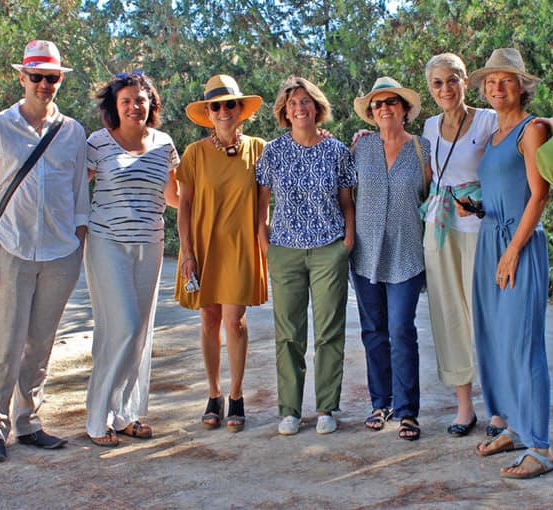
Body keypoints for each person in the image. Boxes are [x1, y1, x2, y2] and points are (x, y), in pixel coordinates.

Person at [0, 40, 90, 462]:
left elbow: (79, 198)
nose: (43, 84)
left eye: (51, 77)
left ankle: (28, 422)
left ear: (59, 81)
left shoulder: (73, 132)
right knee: (8, 343)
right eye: (36, 76)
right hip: (11, 250)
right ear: (22, 78)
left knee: (40, 344)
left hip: (60, 253)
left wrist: (78, 248)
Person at [462, 48, 553, 479]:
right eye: (491, 82)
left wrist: (514, 248)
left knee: (523, 345)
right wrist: (478, 207)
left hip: (519, 245)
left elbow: (539, 195)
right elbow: (505, 189)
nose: (497, 88)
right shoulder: (495, 135)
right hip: (491, 240)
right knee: (494, 340)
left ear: (522, 87)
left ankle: (541, 447)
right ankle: (514, 428)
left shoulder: (530, 130)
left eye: (507, 81)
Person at [84, 71, 180, 447]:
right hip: (107, 244)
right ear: (114, 106)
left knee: (139, 333)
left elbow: (175, 197)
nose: (134, 106)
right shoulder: (98, 143)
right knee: (121, 326)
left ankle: (126, 414)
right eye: (125, 100)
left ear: (150, 104)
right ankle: (97, 418)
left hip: (149, 245)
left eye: (140, 99)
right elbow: (73, 187)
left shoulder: (164, 144)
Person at [256, 76, 355, 436]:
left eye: (305, 101)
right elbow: (261, 205)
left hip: (329, 247)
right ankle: (290, 410)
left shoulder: (337, 150)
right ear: (284, 111)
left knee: (329, 331)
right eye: (292, 103)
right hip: (285, 249)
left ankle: (327, 407)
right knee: (289, 334)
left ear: (317, 106)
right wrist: (266, 245)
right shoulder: (273, 151)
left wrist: (347, 241)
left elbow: (347, 201)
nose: (299, 108)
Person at [175, 75, 267, 432]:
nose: (224, 111)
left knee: (235, 321)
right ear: (208, 114)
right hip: (203, 245)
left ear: (241, 110)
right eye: (216, 106)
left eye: (230, 104)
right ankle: (213, 394)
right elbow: (183, 206)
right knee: (209, 320)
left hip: (241, 245)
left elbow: (264, 203)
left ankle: (237, 395)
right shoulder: (195, 153)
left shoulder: (260, 149)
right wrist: (186, 252)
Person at [418, 53, 495, 437]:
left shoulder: (487, 120)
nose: (445, 88)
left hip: (478, 226)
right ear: (429, 89)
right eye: (437, 83)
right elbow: (428, 175)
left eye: (452, 80)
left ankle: (498, 409)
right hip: (439, 225)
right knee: (449, 314)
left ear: (466, 81)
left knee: (486, 314)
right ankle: (465, 408)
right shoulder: (429, 127)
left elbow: (511, 157)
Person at [350, 77, 429, 440]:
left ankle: (407, 411)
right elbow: (346, 197)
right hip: (366, 255)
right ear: (371, 112)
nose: (384, 108)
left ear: (405, 109)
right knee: (373, 332)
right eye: (377, 104)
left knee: (401, 330)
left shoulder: (422, 149)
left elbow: (431, 195)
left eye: (391, 102)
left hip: (407, 253)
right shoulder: (360, 149)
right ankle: (380, 403)